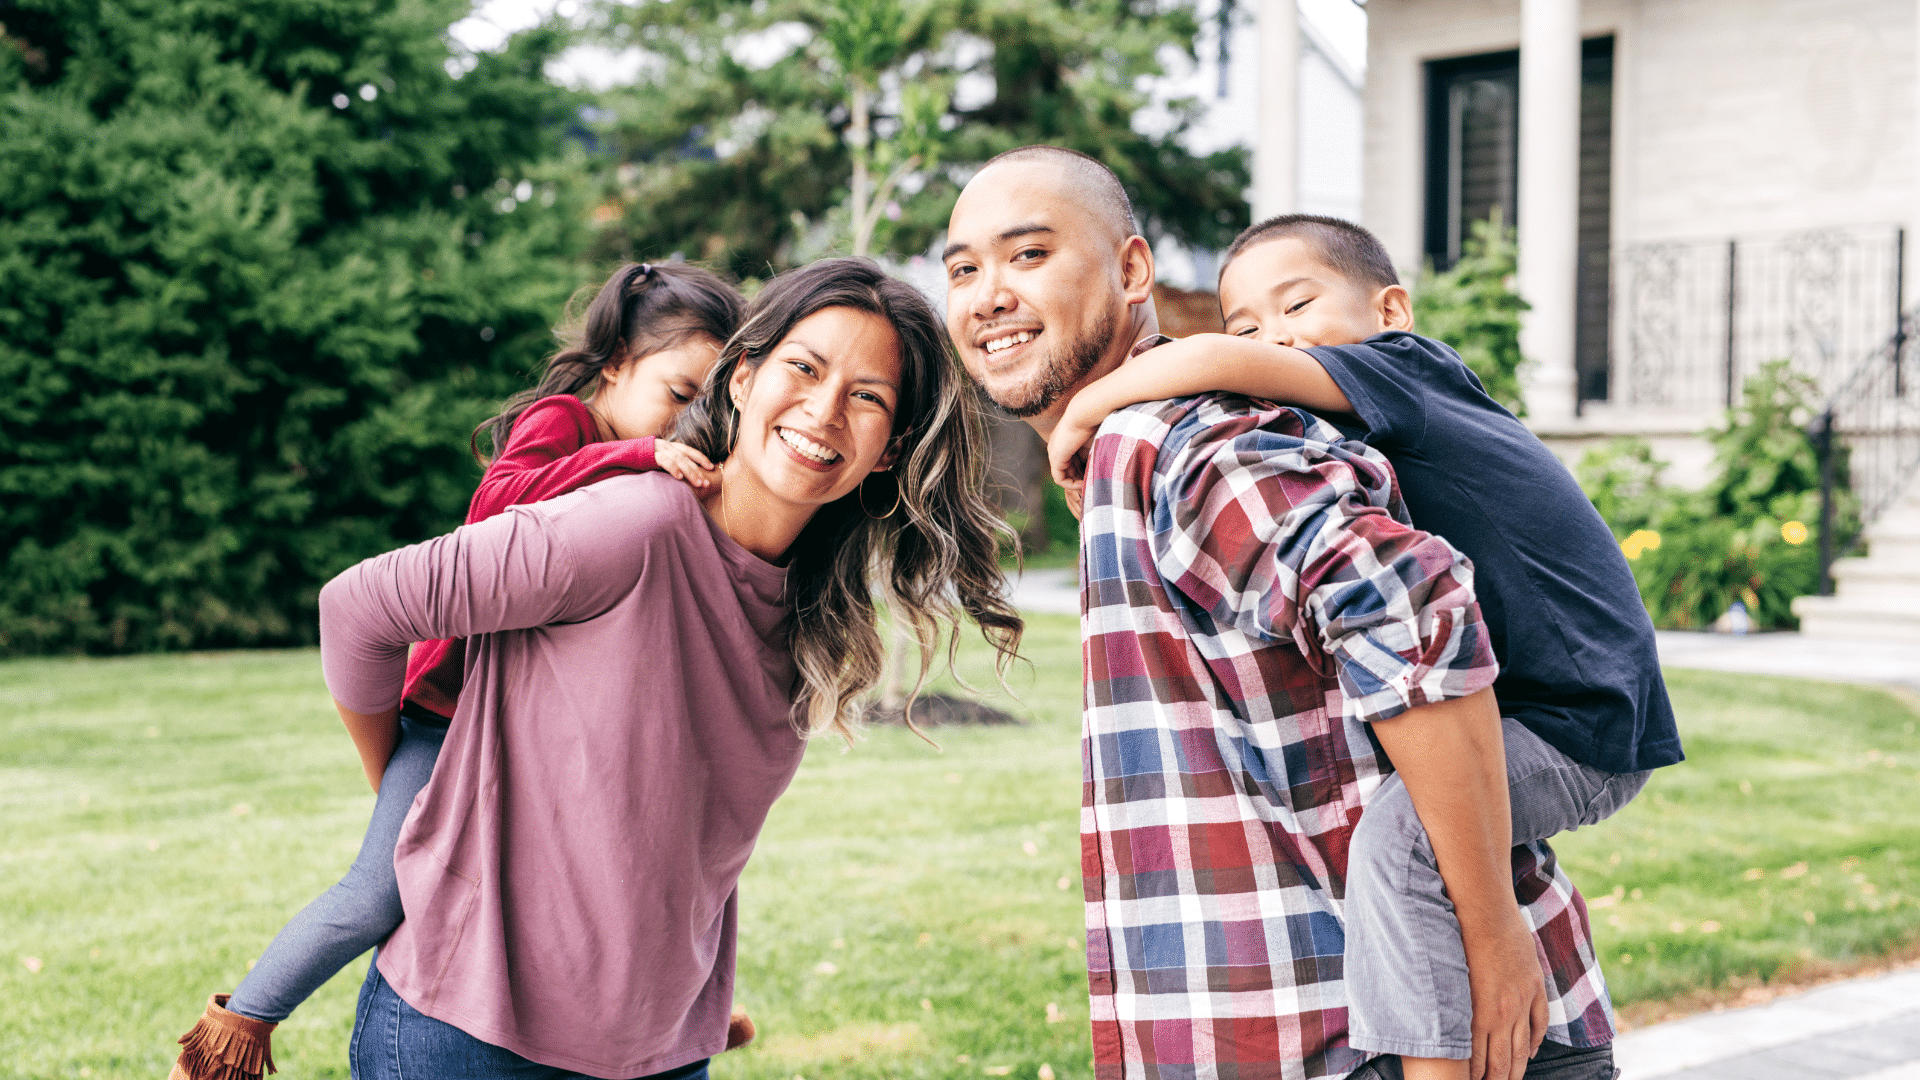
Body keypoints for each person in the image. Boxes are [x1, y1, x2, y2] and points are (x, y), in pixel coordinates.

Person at [943, 146, 1615, 1080]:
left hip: (1395, 1042)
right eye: (964, 268)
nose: (987, 294)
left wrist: (1494, 934)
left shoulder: (1173, 436)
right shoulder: (1134, 446)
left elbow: (1410, 611)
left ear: (1131, 270)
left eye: (1027, 255)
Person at [332, 257, 1018, 1078]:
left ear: (887, 450)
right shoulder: (633, 526)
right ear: (741, 380)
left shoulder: (818, 614)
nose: (826, 409)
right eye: (803, 366)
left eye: (868, 396)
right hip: (469, 1037)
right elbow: (359, 608)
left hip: (659, 1051)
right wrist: (405, 797)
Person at [169, 261, 747, 1079]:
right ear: (617, 360)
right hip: (454, 712)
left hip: (537, 716)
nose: (692, 420)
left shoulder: (655, 468)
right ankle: (234, 1031)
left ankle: (689, 1009)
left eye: (709, 406)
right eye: (680, 391)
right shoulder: (564, 422)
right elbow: (499, 505)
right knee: (381, 888)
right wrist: (635, 457)